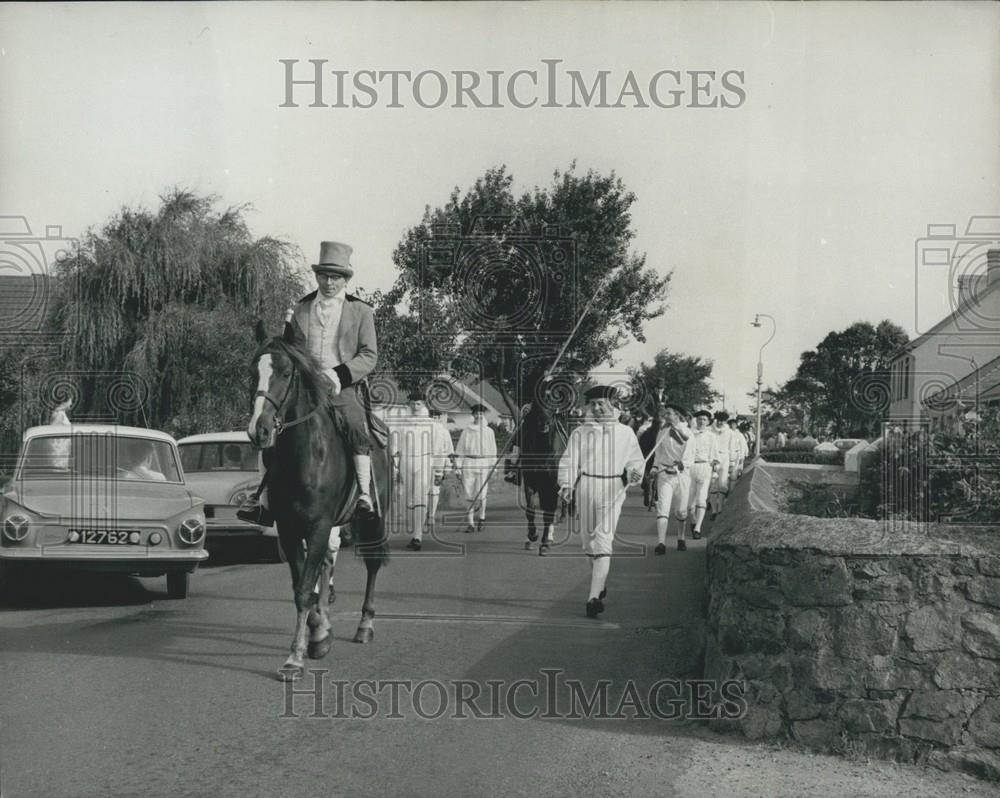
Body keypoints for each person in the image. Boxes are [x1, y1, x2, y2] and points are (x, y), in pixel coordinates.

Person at [239, 241, 377, 526]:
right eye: (324, 275)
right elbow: (292, 351)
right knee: (268, 426)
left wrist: (338, 375)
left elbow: (369, 355)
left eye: (335, 276)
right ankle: (261, 501)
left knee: (354, 424)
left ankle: (364, 494)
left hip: (343, 385)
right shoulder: (301, 309)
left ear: (346, 279)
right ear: (316, 276)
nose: (329, 282)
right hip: (305, 386)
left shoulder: (361, 311)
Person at [557, 385, 644, 618]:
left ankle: (593, 598)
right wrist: (566, 483)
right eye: (593, 404)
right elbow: (568, 460)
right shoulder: (580, 433)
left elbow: (636, 461)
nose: (596, 408)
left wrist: (635, 473)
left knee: (603, 539)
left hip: (613, 487)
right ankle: (600, 581)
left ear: (613, 405)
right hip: (585, 486)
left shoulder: (626, 433)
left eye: (601, 403)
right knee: (588, 542)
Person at [649, 403, 694, 554]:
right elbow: (658, 452)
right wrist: (655, 468)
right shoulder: (663, 432)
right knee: (662, 507)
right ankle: (661, 543)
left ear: (677, 415)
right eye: (665, 414)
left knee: (681, 511)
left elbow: (689, 458)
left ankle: (681, 538)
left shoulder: (688, 433)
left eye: (668, 414)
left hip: (681, 475)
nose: (665, 416)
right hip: (664, 474)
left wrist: (678, 466)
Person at [397, 392, 434, 551]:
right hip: (407, 461)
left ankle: (418, 535)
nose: (415, 407)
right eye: (412, 403)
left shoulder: (430, 424)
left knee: (420, 498)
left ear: (424, 404)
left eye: (418, 403)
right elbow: (396, 447)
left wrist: (439, 469)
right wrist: (396, 467)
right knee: (409, 499)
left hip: (424, 461)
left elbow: (437, 447)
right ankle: (414, 534)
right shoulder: (403, 424)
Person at [455, 404, 497, 533]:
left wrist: (492, 467)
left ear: (483, 415)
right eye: (476, 413)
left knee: (482, 494)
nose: (479, 416)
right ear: (472, 415)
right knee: (469, 495)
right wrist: (458, 466)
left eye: (481, 414)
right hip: (468, 463)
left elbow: (492, 450)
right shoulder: (466, 431)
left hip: (483, 463)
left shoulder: (489, 432)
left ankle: (482, 518)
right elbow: (460, 450)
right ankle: (470, 523)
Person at [686, 410, 719, 543]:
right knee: (689, 504)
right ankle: (693, 520)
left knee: (701, 499)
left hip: (705, 467)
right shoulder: (690, 434)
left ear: (708, 421)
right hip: (690, 468)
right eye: (699, 419)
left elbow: (715, 455)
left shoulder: (711, 436)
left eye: (704, 419)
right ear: (696, 420)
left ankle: (698, 528)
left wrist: (715, 471)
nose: (701, 421)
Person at [426, 407, 455, 534]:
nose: (434, 420)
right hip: (424, 461)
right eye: (431, 417)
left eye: (436, 417)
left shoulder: (444, 432)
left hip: (439, 462)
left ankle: (431, 515)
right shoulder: (423, 430)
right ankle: (423, 512)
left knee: (435, 489)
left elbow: (449, 450)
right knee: (423, 489)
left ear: (439, 419)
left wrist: (447, 467)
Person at [709, 411, 733, 520]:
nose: (720, 422)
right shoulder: (710, 431)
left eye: (722, 421)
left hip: (725, 457)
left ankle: (720, 509)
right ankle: (714, 510)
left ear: (725, 421)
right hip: (713, 458)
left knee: (723, 483)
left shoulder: (729, 432)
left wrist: (732, 462)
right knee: (713, 483)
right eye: (718, 420)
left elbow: (732, 447)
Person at [727, 417, 749, 483]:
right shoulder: (726, 433)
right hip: (727, 455)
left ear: (736, 425)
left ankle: (732, 488)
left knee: (734, 474)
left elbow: (743, 445)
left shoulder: (739, 435)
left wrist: (742, 456)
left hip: (737, 455)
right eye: (730, 424)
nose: (731, 426)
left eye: (733, 424)